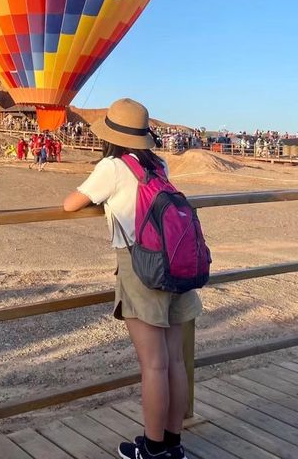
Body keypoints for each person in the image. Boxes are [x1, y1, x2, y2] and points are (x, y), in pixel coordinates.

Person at [63, 99, 201, 459]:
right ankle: (172, 445)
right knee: (174, 361)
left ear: (110, 136)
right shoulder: (160, 164)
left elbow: (70, 204)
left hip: (141, 267)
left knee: (153, 365)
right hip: (174, 264)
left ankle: (152, 451)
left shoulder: (111, 166)